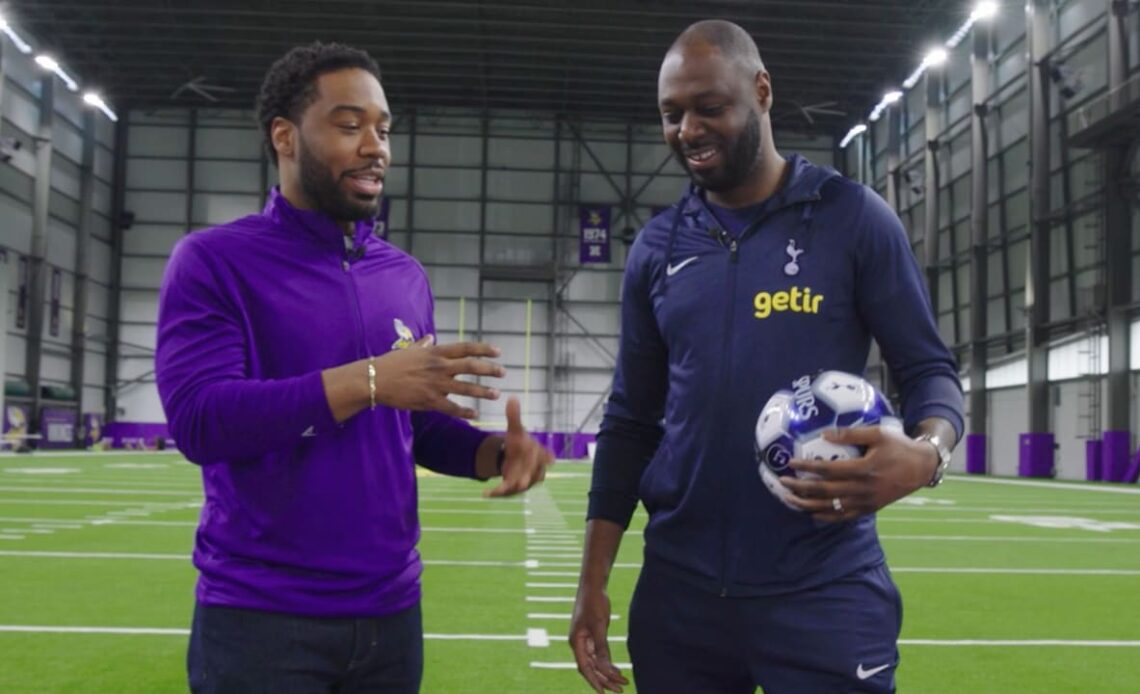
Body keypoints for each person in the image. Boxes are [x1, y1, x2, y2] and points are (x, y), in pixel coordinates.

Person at [569, 20, 963, 694]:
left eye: (709, 108)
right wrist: (592, 581)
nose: (688, 130)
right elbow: (632, 422)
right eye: (672, 114)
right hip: (680, 597)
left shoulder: (853, 219)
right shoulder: (658, 249)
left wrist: (927, 455)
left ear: (761, 90)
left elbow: (929, 372)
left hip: (825, 589)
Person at [155, 42, 554, 694]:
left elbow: (412, 430)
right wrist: (367, 380)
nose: (377, 147)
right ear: (285, 136)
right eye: (349, 126)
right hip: (262, 621)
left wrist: (491, 453)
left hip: (391, 619)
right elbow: (201, 421)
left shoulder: (403, 278)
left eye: (384, 129)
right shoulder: (213, 262)